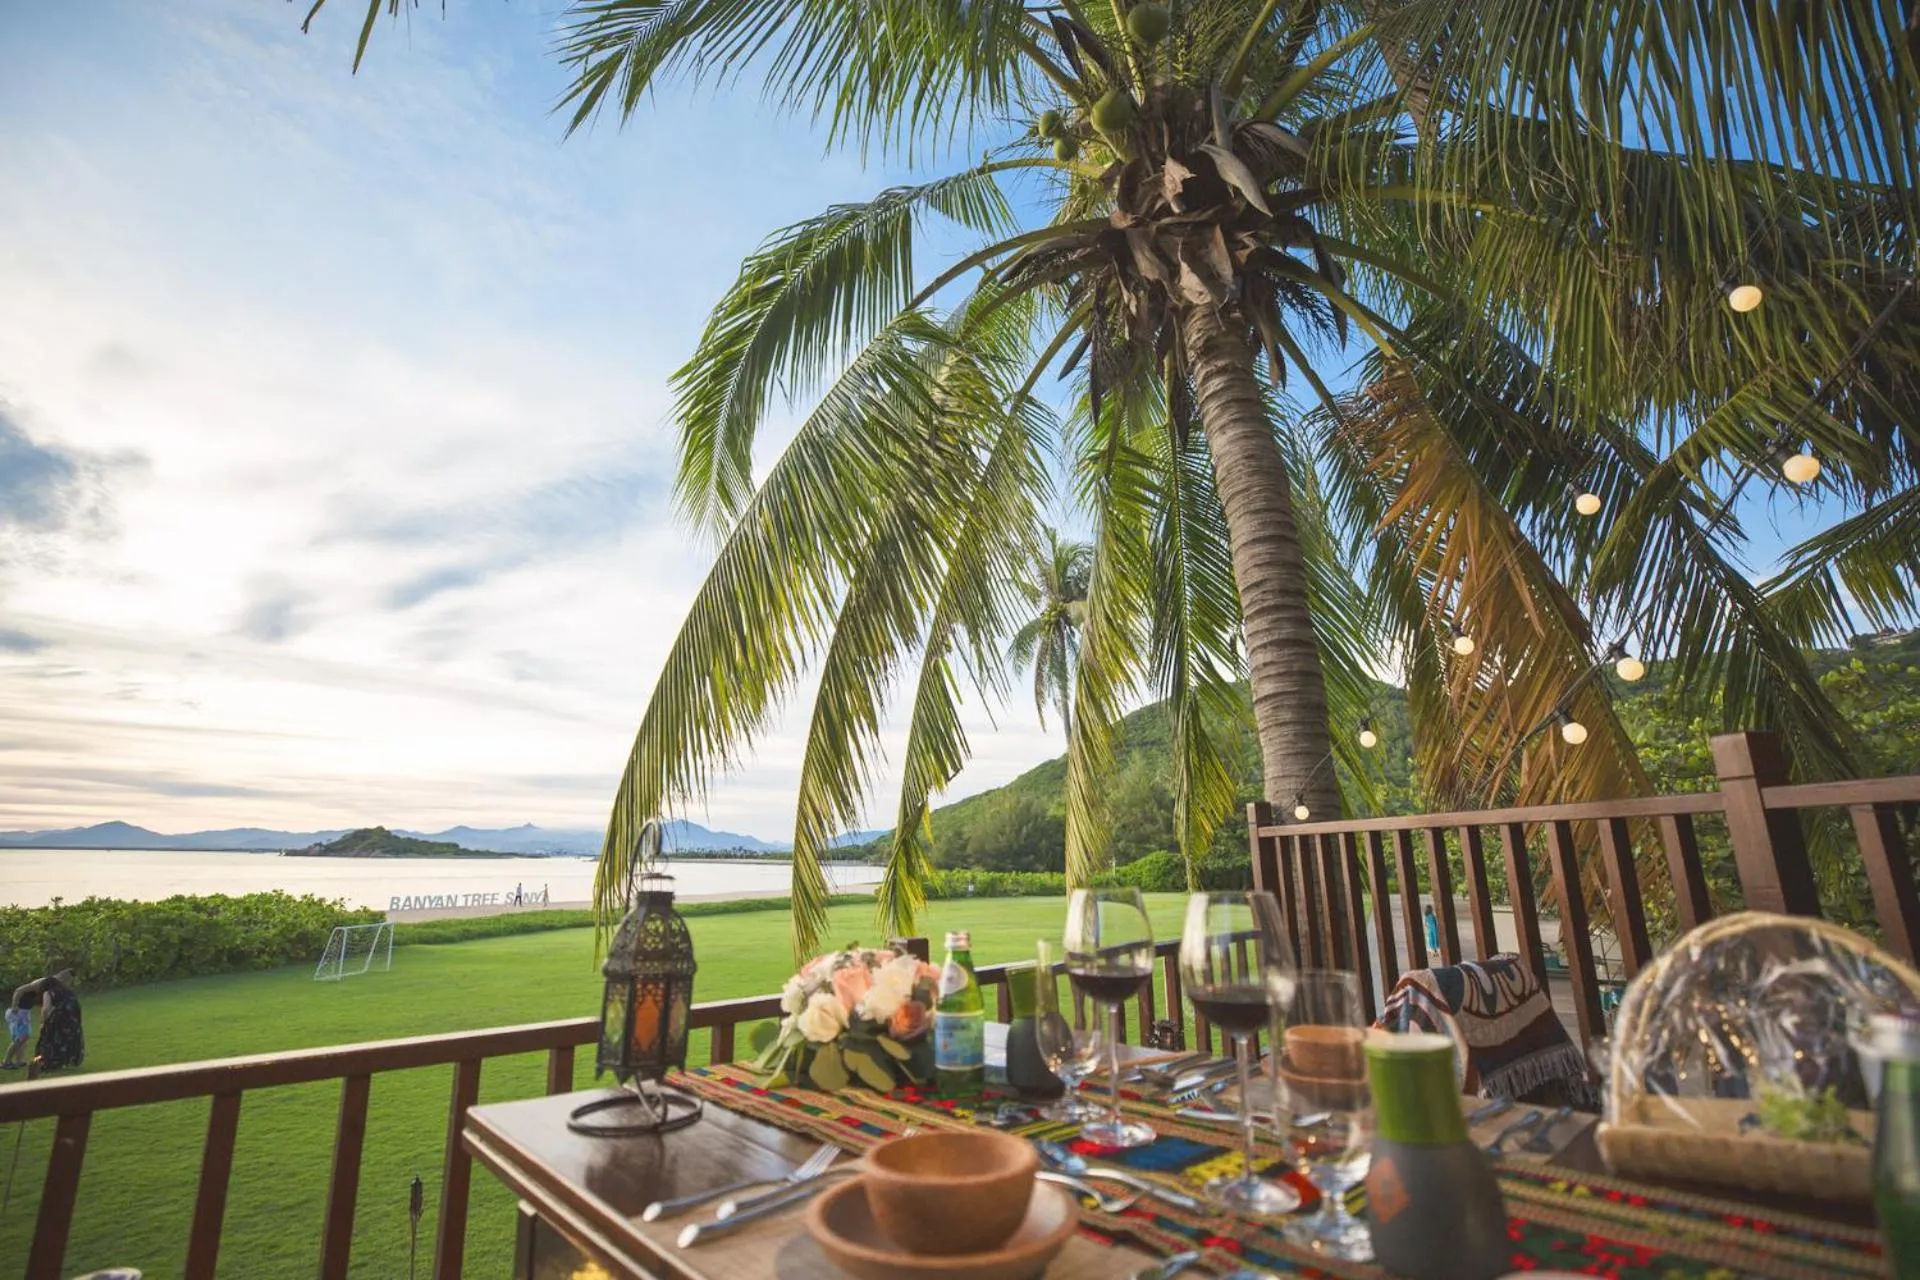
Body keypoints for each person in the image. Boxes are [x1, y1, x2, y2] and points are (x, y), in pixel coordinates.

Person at [30, 968, 84, 1078]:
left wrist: (43, 1023)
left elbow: (46, 1009)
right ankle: (68, 1060)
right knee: (67, 1039)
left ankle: (51, 1061)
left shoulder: (48, 992)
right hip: (72, 1017)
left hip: (58, 1019)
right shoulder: (68, 991)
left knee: (50, 1040)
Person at [2, 987, 31, 1069]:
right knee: (19, 1039)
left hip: (22, 1013)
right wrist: (15, 1006)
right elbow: (18, 991)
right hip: (18, 1013)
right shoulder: (31, 988)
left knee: (24, 1039)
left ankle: (19, 1060)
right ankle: (6, 1061)